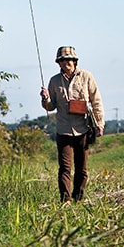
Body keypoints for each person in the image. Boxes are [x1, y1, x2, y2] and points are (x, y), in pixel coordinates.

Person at [40, 46, 104, 204]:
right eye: (62, 60)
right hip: (63, 130)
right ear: (58, 63)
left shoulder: (87, 76)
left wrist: (99, 124)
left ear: (75, 61)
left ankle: (79, 199)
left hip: (84, 129)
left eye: (69, 59)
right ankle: (65, 201)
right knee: (64, 168)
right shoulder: (54, 81)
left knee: (82, 169)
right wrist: (45, 98)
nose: (66, 62)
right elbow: (50, 106)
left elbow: (96, 101)